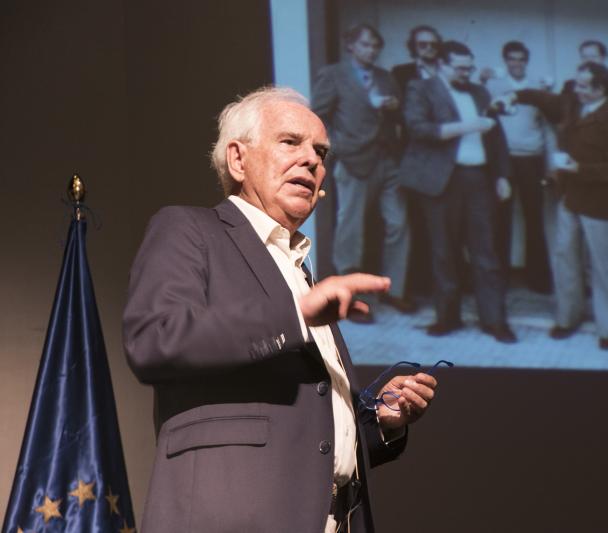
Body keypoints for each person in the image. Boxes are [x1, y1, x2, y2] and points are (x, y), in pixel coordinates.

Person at [123, 86, 439, 533]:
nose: (312, 160)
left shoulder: (302, 270)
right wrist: (295, 316)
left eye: (321, 151)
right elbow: (154, 341)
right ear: (238, 159)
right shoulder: (190, 229)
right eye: (290, 142)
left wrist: (381, 422)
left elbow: (312, 441)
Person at [399, 40, 517, 343]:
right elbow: (418, 128)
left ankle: (495, 321)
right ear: (441, 64)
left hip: (478, 179)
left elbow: (496, 135)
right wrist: (467, 126)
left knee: (486, 251)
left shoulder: (479, 92)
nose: (466, 73)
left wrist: (502, 175)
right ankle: (447, 318)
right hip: (441, 181)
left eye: (469, 68)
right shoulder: (420, 89)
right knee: (443, 252)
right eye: (460, 68)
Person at [312, 23, 413, 323]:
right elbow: (317, 117)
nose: (372, 50)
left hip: (388, 160)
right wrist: (339, 147)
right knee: (351, 229)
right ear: (351, 45)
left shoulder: (385, 77)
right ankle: (350, 298)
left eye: (375, 46)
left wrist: (393, 107)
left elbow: (397, 114)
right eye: (366, 45)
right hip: (354, 161)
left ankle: (395, 290)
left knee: (398, 223)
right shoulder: (333, 75)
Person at [503, 62, 608, 350]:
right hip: (569, 197)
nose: (577, 89)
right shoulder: (572, 103)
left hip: (599, 203)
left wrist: (582, 169)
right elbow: (541, 98)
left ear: (601, 88)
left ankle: (606, 329)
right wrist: (515, 95)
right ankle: (567, 319)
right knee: (565, 260)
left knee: (602, 267)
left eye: (584, 86)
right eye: (577, 84)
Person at [484, 41, 553, 292]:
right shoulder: (493, 86)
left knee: (534, 219)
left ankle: (538, 279)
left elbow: (547, 128)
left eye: (521, 59)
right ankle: (499, 277)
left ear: (527, 61)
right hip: (503, 160)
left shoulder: (539, 86)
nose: (517, 63)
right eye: (512, 59)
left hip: (531, 159)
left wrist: (548, 165)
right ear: (505, 60)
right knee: (500, 219)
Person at [391, 25, 443, 299]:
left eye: (433, 45)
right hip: (412, 156)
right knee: (413, 222)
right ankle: (417, 284)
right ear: (414, 47)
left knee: (440, 224)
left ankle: (440, 285)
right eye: (423, 45)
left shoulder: (444, 71)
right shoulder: (401, 73)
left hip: (443, 157)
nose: (428, 49)